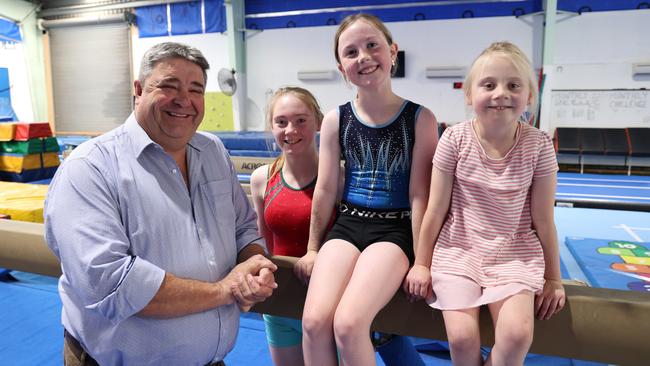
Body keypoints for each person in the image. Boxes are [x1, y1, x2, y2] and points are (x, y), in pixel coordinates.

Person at [44, 42, 277, 366]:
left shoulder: (212, 152)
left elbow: (243, 228)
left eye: (196, 89)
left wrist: (255, 264)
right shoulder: (90, 168)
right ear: (138, 90)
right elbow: (112, 283)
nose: (184, 100)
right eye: (169, 86)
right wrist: (227, 290)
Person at [405, 41, 566, 365]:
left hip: (514, 254)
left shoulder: (538, 145)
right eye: (489, 85)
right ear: (469, 95)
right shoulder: (454, 139)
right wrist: (422, 263)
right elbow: (435, 209)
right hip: (458, 250)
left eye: (513, 85)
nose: (501, 93)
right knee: (462, 339)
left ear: (529, 97)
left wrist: (554, 278)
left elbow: (544, 220)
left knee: (518, 335)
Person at [301, 13, 438, 365]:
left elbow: (421, 195)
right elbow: (326, 189)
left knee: (348, 324)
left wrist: (422, 261)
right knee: (315, 322)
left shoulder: (420, 119)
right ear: (341, 66)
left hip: (394, 230)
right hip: (347, 225)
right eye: (351, 52)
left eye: (372, 45)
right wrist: (313, 248)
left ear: (392, 52)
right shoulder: (335, 120)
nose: (363, 56)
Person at [249, 86, 328, 366]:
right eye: (281, 122)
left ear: (318, 122)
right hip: (281, 301)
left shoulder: (339, 179)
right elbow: (263, 241)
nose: (290, 130)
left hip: (327, 302)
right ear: (271, 126)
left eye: (301, 120)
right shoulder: (262, 178)